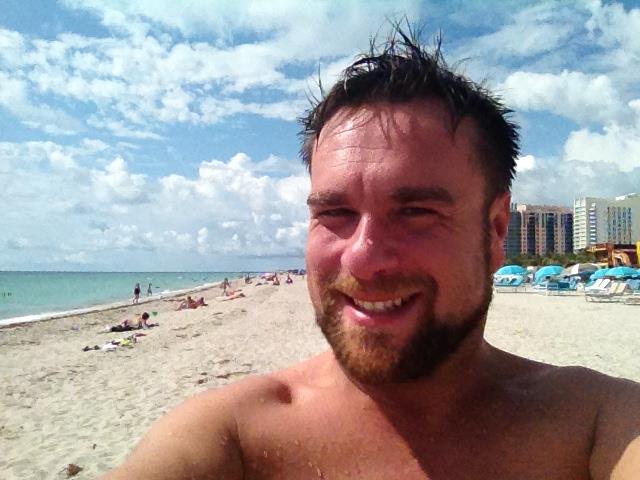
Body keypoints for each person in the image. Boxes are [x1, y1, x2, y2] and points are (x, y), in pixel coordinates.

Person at [100, 26, 640, 480]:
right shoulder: (232, 437)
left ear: (495, 230)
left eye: (416, 212)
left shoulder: (599, 425)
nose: (361, 258)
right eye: (335, 213)